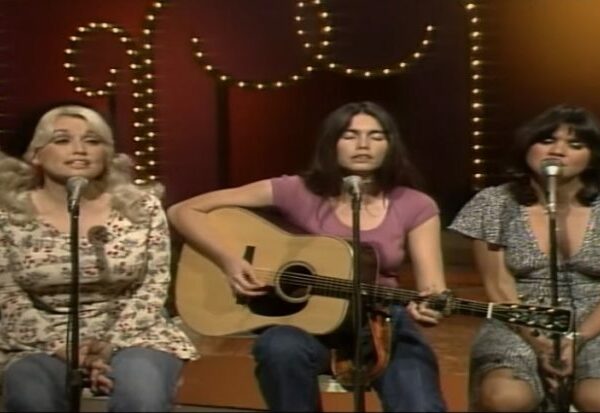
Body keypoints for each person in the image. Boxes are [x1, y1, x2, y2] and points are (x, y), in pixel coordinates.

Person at [168, 101, 448, 412]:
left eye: (376, 136)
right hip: (304, 325)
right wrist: (229, 261)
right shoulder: (295, 190)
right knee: (278, 346)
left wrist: (429, 305)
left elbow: (432, 287)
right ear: (332, 143)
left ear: (390, 144)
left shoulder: (415, 204)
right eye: (350, 135)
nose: (364, 145)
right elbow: (183, 211)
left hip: (380, 323)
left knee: (420, 404)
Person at [0, 104, 198, 412]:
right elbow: (8, 295)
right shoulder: (9, 214)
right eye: (62, 140)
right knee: (31, 396)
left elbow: (153, 286)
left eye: (93, 141)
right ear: (36, 153)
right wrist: (64, 349)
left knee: (141, 397)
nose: (80, 150)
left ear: (107, 153)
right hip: (40, 339)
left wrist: (108, 347)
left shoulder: (139, 206)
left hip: (134, 333)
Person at [449, 104, 600, 412]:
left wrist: (577, 339)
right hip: (518, 318)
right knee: (507, 397)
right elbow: (498, 287)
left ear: (592, 156)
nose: (558, 151)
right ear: (527, 147)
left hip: (594, 322)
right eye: (547, 141)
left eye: (575, 145)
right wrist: (540, 344)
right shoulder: (494, 203)